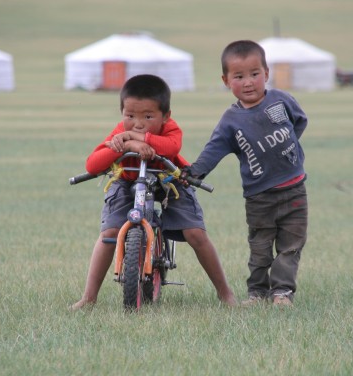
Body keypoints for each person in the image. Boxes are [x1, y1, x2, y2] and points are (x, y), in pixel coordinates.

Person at [71, 74, 236, 310]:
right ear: (122, 113)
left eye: (148, 117)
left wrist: (136, 138)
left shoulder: (170, 128)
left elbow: (171, 147)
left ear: (165, 115)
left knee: (195, 233)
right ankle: (89, 297)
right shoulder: (120, 132)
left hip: (169, 180)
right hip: (128, 181)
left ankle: (225, 293)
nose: (137, 123)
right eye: (129, 116)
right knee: (109, 232)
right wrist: (128, 145)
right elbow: (93, 164)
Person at [187, 40, 308, 307]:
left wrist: (289, 152)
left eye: (255, 74)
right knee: (260, 248)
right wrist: (194, 173)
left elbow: (299, 121)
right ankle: (257, 292)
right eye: (239, 77)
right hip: (259, 196)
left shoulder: (282, 100)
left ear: (266, 73)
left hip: (294, 189)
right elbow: (213, 150)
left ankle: (282, 292)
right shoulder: (231, 121)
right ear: (226, 80)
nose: (249, 82)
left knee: (291, 245)